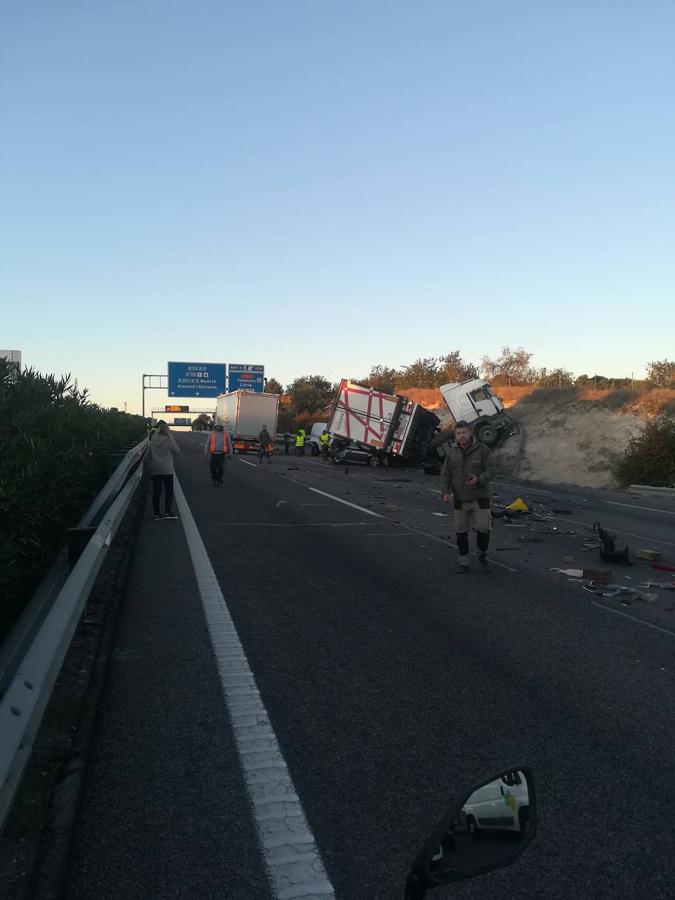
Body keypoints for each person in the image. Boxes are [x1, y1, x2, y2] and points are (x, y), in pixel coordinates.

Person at [440, 420, 496, 573]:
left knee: (484, 529)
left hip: (480, 497)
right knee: (461, 531)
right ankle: (463, 560)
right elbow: (446, 474)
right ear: (455, 436)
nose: (461, 436)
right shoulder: (452, 452)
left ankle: (482, 554)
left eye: (464, 432)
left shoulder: (482, 449)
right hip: (460, 498)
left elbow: (491, 470)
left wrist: (479, 479)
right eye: (458, 434)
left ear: (470, 433)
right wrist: (445, 492)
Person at [148, 421, 180, 519]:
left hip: (155, 469)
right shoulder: (168, 439)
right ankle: (167, 512)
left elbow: (148, 455)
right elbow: (177, 451)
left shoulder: (153, 440)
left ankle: (157, 514)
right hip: (167, 469)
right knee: (169, 491)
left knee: (156, 492)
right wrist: (171, 437)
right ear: (167, 431)